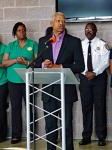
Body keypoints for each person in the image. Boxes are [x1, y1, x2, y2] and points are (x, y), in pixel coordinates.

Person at [35, 12, 85, 150]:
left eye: (63, 21)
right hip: (48, 89)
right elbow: (36, 63)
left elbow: (80, 66)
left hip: (66, 89)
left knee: (66, 125)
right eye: (58, 21)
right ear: (52, 23)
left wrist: (60, 66)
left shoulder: (74, 41)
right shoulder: (43, 41)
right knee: (50, 125)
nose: (61, 23)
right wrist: (44, 64)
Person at [3, 22, 38, 144]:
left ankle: (32, 133)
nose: (22, 32)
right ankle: (16, 135)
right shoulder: (10, 45)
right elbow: (4, 63)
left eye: (23, 30)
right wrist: (15, 60)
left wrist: (26, 62)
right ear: (15, 33)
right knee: (16, 108)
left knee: (31, 107)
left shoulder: (33, 44)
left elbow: (37, 62)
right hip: (13, 81)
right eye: (19, 30)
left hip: (29, 81)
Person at [78, 22, 109, 146]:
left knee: (100, 107)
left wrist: (95, 73)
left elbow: (106, 62)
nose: (88, 31)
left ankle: (101, 137)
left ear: (95, 30)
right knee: (86, 107)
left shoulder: (102, 44)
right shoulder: (79, 44)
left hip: (99, 79)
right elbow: (77, 60)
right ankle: (86, 136)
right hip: (84, 78)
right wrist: (85, 72)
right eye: (86, 29)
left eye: (91, 29)